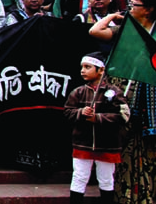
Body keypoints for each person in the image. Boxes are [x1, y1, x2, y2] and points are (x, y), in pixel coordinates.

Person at [90, 0, 156, 204]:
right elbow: (95, 31)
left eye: (135, 4)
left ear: (149, 10)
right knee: (125, 152)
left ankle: (145, 197)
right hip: (126, 95)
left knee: (149, 154)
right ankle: (124, 197)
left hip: (152, 99)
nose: (130, 7)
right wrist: (113, 16)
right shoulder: (126, 30)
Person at [64, 52, 129, 204]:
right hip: (83, 142)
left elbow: (124, 115)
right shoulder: (78, 92)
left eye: (88, 67)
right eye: (82, 67)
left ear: (101, 70)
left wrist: (98, 118)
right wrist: (81, 112)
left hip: (107, 143)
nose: (83, 70)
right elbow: (67, 112)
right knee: (79, 177)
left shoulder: (114, 92)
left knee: (106, 179)